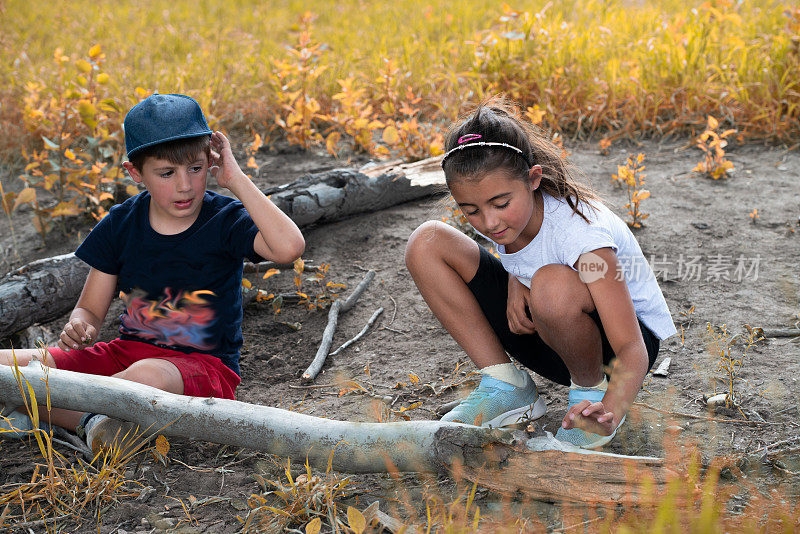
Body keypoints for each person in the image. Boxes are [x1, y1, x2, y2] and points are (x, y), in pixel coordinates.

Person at [0, 93, 305, 453]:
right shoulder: (121, 224)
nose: (185, 185)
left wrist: (236, 180)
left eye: (195, 168)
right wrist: (80, 326)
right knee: (8, 365)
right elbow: (91, 310)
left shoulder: (224, 220)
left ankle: (56, 413)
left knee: (145, 376)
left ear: (210, 161)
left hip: (199, 369)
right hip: (123, 356)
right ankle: (89, 420)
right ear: (135, 172)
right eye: (166, 173)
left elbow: (289, 248)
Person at [405, 96, 675, 448]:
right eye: (470, 210)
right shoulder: (511, 219)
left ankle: (587, 394)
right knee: (426, 242)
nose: (489, 222)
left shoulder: (584, 238)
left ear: (534, 179)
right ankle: (507, 388)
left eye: (501, 204)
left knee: (550, 284)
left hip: (616, 356)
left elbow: (632, 346)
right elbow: (533, 250)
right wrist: (516, 277)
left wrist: (608, 409)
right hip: (550, 330)